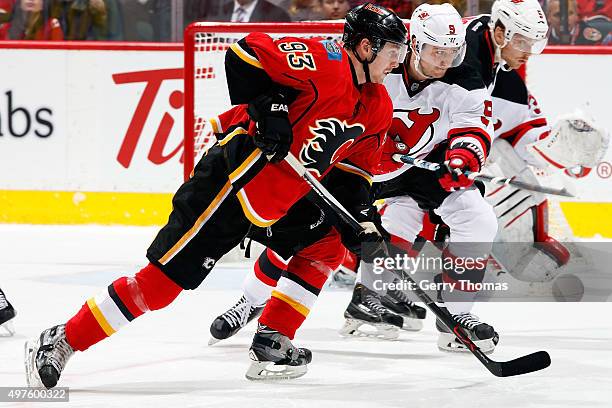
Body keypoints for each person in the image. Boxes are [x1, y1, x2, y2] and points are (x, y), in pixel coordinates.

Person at [25, 2, 408, 387]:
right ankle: (64, 338)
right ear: (364, 46)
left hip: (284, 195)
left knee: (325, 244)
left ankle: (274, 337)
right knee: (159, 286)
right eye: (393, 50)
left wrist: (360, 217)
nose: (398, 60)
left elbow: (352, 172)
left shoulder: (379, 106)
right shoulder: (325, 60)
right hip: (235, 180)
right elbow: (245, 54)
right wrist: (271, 109)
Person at [209, 0, 552, 354]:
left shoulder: (467, 78)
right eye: (437, 52)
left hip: (415, 164)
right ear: (414, 44)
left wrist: (464, 157)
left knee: (476, 217)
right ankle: (251, 301)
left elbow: (473, 125)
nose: (444, 62)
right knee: (307, 232)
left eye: (452, 52)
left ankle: (456, 317)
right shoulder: (381, 64)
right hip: (355, 163)